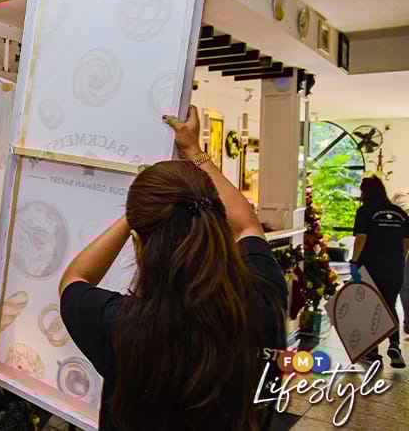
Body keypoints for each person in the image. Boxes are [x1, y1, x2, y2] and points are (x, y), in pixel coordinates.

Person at [59, 105, 288, 431]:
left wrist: (135, 215)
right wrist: (193, 150)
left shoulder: (123, 327)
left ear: (138, 242)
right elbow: (247, 225)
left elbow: (74, 279)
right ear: (214, 223)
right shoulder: (262, 301)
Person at [351, 177, 409, 367]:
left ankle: (372, 352)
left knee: (371, 307)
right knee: (390, 304)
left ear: (365, 192)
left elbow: (361, 237)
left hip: (371, 265)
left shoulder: (364, 211)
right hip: (394, 267)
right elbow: (406, 242)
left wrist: (354, 262)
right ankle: (394, 345)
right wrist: (399, 261)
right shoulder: (400, 213)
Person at [393, 188, 409, 336]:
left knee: (406, 287)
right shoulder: (402, 194)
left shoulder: (400, 196)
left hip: (403, 247)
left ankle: (408, 322)